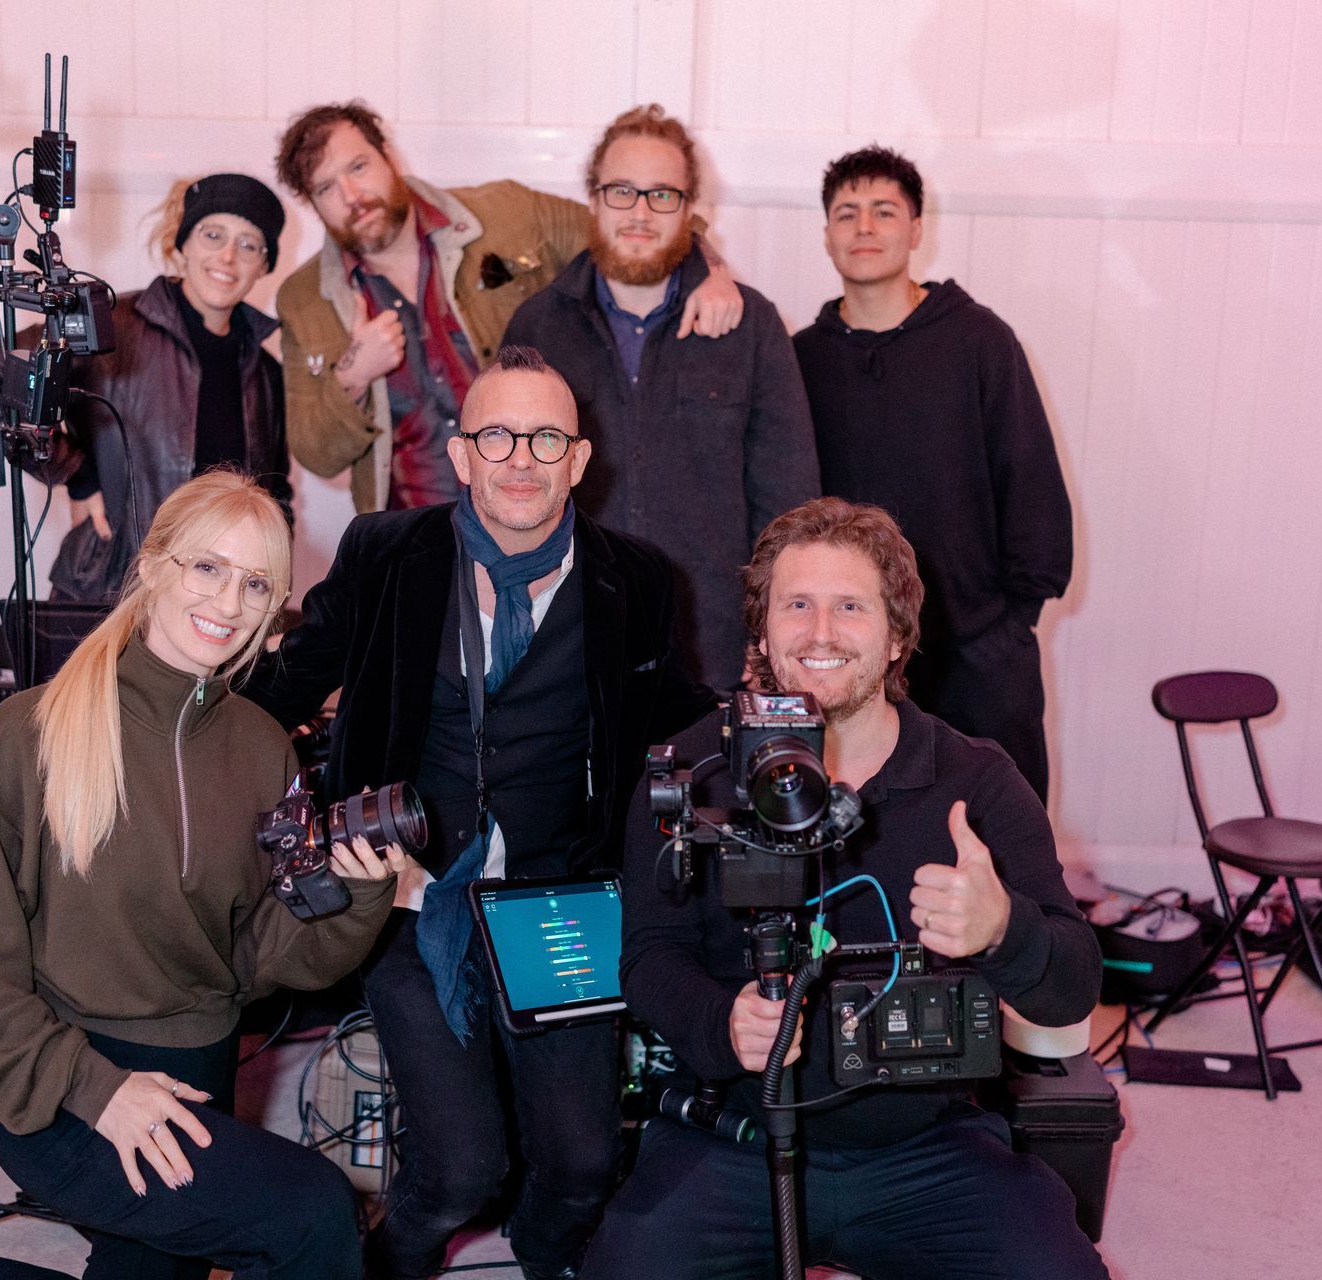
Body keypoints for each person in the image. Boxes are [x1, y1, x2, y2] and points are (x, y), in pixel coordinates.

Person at [0, 471, 403, 1280]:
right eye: (207, 568)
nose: (229, 601)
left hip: (197, 1075)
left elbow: (261, 957)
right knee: (316, 1216)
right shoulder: (30, 732)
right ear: (152, 568)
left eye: (256, 583)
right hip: (62, 1085)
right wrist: (96, 1088)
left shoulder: (261, 747)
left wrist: (354, 897)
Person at [246, 347, 713, 1280]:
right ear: (461, 455)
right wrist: (162, 713)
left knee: (583, 1165)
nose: (521, 458)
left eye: (546, 437)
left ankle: (546, 1259)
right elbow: (283, 685)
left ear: (580, 460)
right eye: (497, 435)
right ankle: (391, 1262)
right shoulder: (385, 555)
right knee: (461, 1172)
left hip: (562, 900)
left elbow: (677, 721)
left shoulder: (640, 580)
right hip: (409, 898)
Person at [581, 498, 1105, 1280]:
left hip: (926, 1146)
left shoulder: (978, 780)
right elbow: (649, 958)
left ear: (897, 636)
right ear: (760, 632)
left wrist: (1005, 930)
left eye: (850, 607)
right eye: (797, 605)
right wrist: (720, 1022)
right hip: (732, 1139)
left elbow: (1073, 987)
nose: (820, 632)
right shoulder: (690, 772)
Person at [270, 100, 745, 516]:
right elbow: (316, 452)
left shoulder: (508, 214)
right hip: (412, 541)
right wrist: (354, 374)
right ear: (312, 204)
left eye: (358, 167)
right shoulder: (304, 298)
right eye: (326, 188)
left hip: (533, 526)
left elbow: (625, 225)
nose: (352, 196)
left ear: (388, 157)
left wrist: (709, 266)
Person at [503, 105, 819, 689]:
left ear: (689, 208)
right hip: (563, 640)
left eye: (662, 195)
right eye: (622, 191)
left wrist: (775, 630)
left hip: (711, 644)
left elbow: (789, 504)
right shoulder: (538, 326)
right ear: (593, 199)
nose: (641, 213)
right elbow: (501, 484)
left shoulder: (751, 326)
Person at [794, 146, 1072, 801]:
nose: (864, 227)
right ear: (827, 235)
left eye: (883, 211)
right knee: (860, 842)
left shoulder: (979, 340)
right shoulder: (799, 360)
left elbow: (1030, 482)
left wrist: (1009, 623)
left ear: (916, 229)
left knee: (1002, 843)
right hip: (849, 655)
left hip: (977, 651)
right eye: (847, 213)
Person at [0, 174, 294, 602]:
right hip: (110, 590)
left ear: (265, 264)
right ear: (184, 243)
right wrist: (75, 472)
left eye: (249, 244)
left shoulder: (265, 371)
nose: (228, 256)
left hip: (215, 605)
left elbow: (274, 496)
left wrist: (267, 587)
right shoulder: (111, 325)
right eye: (212, 234)